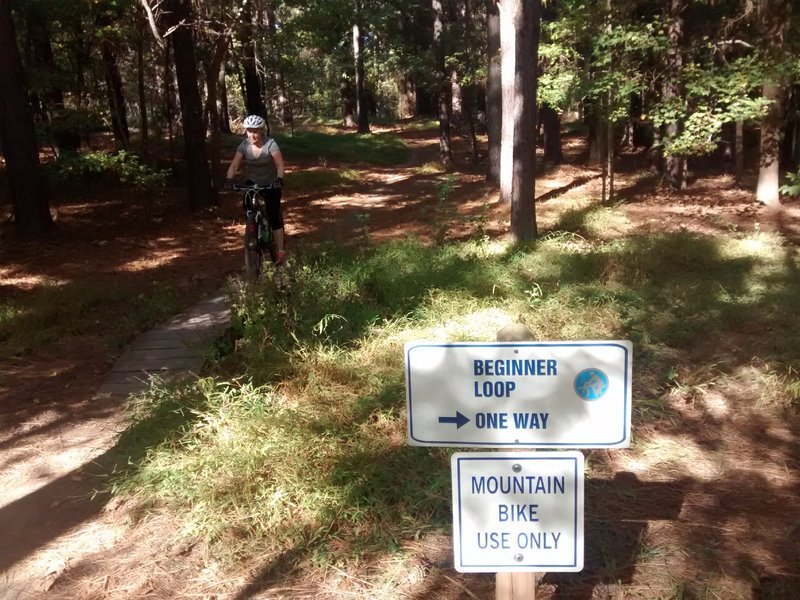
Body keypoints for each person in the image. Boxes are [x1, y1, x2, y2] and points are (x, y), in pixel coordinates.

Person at [225, 114, 287, 264]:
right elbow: (234, 165)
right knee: (247, 206)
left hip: (271, 182)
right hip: (252, 182)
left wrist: (279, 179)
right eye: (249, 131)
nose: (252, 135)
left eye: (256, 131)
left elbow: (279, 164)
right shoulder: (244, 146)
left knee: (273, 215)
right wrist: (228, 179)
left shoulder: (270, 144)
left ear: (261, 131)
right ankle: (252, 229)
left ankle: (280, 252)